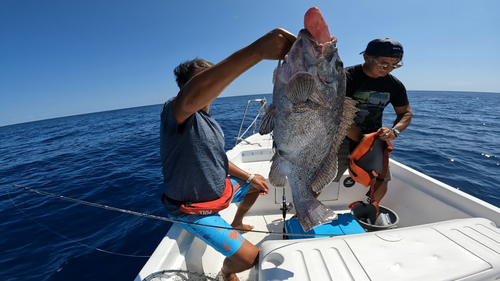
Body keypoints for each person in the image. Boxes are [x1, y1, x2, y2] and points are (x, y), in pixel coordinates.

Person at [160, 28, 296, 281]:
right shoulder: (175, 109)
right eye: (203, 80)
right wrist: (256, 52)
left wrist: (248, 177)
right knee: (248, 257)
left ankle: (237, 222)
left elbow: (218, 160)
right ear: (185, 88)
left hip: (220, 191)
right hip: (193, 208)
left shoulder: (208, 121)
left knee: (257, 183)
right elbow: (190, 97)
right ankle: (225, 273)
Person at [333, 38, 413, 203]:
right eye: (384, 64)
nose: (389, 69)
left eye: (395, 65)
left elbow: (405, 113)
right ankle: (304, 214)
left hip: (371, 141)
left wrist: (394, 131)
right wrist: (362, 139)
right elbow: (336, 114)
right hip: (338, 138)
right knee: (322, 179)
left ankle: (369, 212)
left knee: (381, 181)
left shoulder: (395, 86)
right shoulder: (345, 78)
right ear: (367, 57)